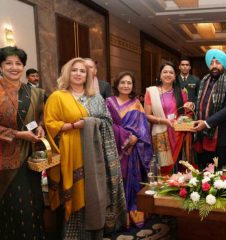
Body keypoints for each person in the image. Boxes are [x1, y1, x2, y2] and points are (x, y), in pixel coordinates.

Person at [44, 58, 125, 239]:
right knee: (73, 193)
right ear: (67, 73)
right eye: (75, 70)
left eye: (82, 71)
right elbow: (50, 125)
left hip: (94, 154)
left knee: (93, 194)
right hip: (69, 154)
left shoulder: (95, 97)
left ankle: (95, 232)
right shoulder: (57, 96)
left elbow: (107, 121)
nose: (79, 74)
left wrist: (88, 123)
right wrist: (75, 126)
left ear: (88, 75)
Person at [0, 46, 46, 239]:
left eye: (18, 63)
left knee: (33, 203)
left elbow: (38, 116)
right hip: (4, 161)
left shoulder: (34, 92)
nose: (14, 67)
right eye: (8, 63)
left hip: (29, 157)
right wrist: (18, 135)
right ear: (0, 66)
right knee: (12, 205)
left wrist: (40, 127)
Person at [106, 71, 152, 228]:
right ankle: (117, 218)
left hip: (133, 152)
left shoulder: (136, 104)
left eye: (129, 83)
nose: (126, 86)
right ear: (117, 85)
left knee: (132, 181)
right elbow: (105, 126)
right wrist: (125, 136)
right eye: (122, 82)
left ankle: (132, 214)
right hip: (112, 149)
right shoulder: (108, 102)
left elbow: (143, 129)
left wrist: (135, 140)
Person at [193, 49, 226, 170]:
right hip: (202, 135)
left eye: (218, 62)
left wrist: (206, 123)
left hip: (222, 137)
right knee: (202, 172)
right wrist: (192, 105)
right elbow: (200, 103)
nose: (214, 66)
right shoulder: (203, 82)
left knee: (220, 174)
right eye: (211, 63)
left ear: (224, 66)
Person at [144, 61, 193, 175]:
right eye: (165, 72)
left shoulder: (181, 93)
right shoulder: (152, 92)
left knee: (177, 168)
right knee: (162, 168)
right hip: (160, 134)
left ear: (175, 76)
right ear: (160, 75)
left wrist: (190, 106)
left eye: (171, 72)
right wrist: (164, 121)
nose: (168, 74)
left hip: (177, 135)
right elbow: (147, 115)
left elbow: (186, 114)